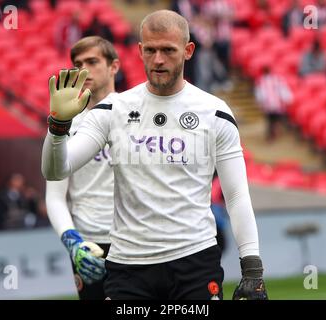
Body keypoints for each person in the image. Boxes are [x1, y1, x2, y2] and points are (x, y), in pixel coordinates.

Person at [42, 10, 267, 300]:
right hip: (129, 267)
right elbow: (56, 171)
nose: (158, 59)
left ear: (188, 51)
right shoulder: (114, 111)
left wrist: (252, 268)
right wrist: (58, 126)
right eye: (150, 50)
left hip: (194, 260)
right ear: (139, 51)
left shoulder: (216, 113)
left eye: (168, 50)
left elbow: (236, 195)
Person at [45, 36, 120, 300]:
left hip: (136, 240)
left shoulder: (137, 114)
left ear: (114, 67)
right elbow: (54, 195)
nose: (84, 69)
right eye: (78, 64)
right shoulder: (64, 123)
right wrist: (72, 242)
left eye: (93, 61)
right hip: (87, 243)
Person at [255, 66, 293, 141]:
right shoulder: (277, 79)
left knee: (270, 120)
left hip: (268, 105)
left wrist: (260, 103)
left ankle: (271, 133)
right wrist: (288, 99)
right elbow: (282, 90)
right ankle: (275, 131)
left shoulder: (261, 81)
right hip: (278, 105)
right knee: (276, 119)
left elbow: (260, 94)